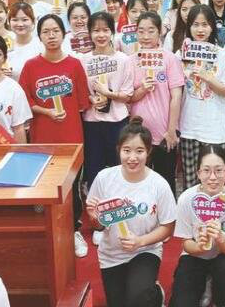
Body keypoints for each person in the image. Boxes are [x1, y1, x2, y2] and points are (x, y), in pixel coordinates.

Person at [18, 14, 91, 258]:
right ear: (39, 36)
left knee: (72, 187)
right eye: (46, 31)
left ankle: (74, 230)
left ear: (63, 33)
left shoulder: (74, 65)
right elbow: (25, 101)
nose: (51, 36)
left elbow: (82, 102)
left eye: (55, 31)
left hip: (71, 136)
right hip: (43, 137)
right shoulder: (31, 66)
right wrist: (46, 111)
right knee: (45, 186)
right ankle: (46, 233)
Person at [86, 117, 176, 307]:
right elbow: (99, 226)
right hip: (112, 255)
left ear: (149, 152)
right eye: (127, 150)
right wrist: (94, 219)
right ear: (118, 150)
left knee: (139, 298)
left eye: (139, 151)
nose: (132, 157)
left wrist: (140, 241)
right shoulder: (104, 178)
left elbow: (168, 227)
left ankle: (154, 294)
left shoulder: (159, 184)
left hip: (145, 250)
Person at [169, 145, 225, 307]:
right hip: (194, 256)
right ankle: (204, 283)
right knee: (182, 302)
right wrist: (199, 246)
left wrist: (220, 239)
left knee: (224, 276)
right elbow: (186, 243)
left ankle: (217, 290)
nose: (212, 177)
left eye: (218, 170)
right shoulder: (186, 198)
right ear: (198, 173)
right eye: (206, 170)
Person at [179, 5, 225, 190]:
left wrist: (208, 78)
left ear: (212, 27)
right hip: (188, 128)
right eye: (195, 24)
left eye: (205, 24)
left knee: (214, 183)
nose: (200, 29)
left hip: (213, 129)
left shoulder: (221, 54)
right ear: (189, 26)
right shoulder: (181, 54)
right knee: (191, 183)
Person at [129, 11, 184, 195]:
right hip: (138, 134)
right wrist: (141, 90)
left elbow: (176, 96)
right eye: (141, 31)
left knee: (165, 183)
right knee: (138, 183)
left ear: (160, 31)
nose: (145, 36)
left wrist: (171, 130)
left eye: (151, 30)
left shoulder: (169, 59)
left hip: (164, 135)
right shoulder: (131, 60)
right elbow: (128, 98)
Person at [80, 11, 133, 189]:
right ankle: (95, 203)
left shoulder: (123, 59)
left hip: (118, 122)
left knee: (119, 167)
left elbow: (127, 96)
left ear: (112, 32)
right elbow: (81, 92)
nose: (101, 35)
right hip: (92, 123)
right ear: (89, 33)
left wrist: (107, 93)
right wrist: (91, 99)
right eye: (96, 30)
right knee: (94, 168)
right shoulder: (84, 60)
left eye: (105, 30)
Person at [7, 2, 43, 81]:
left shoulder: (41, 46)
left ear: (33, 21)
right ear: (9, 22)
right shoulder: (5, 45)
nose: (20, 24)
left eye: (25, 20)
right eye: (15, 20)